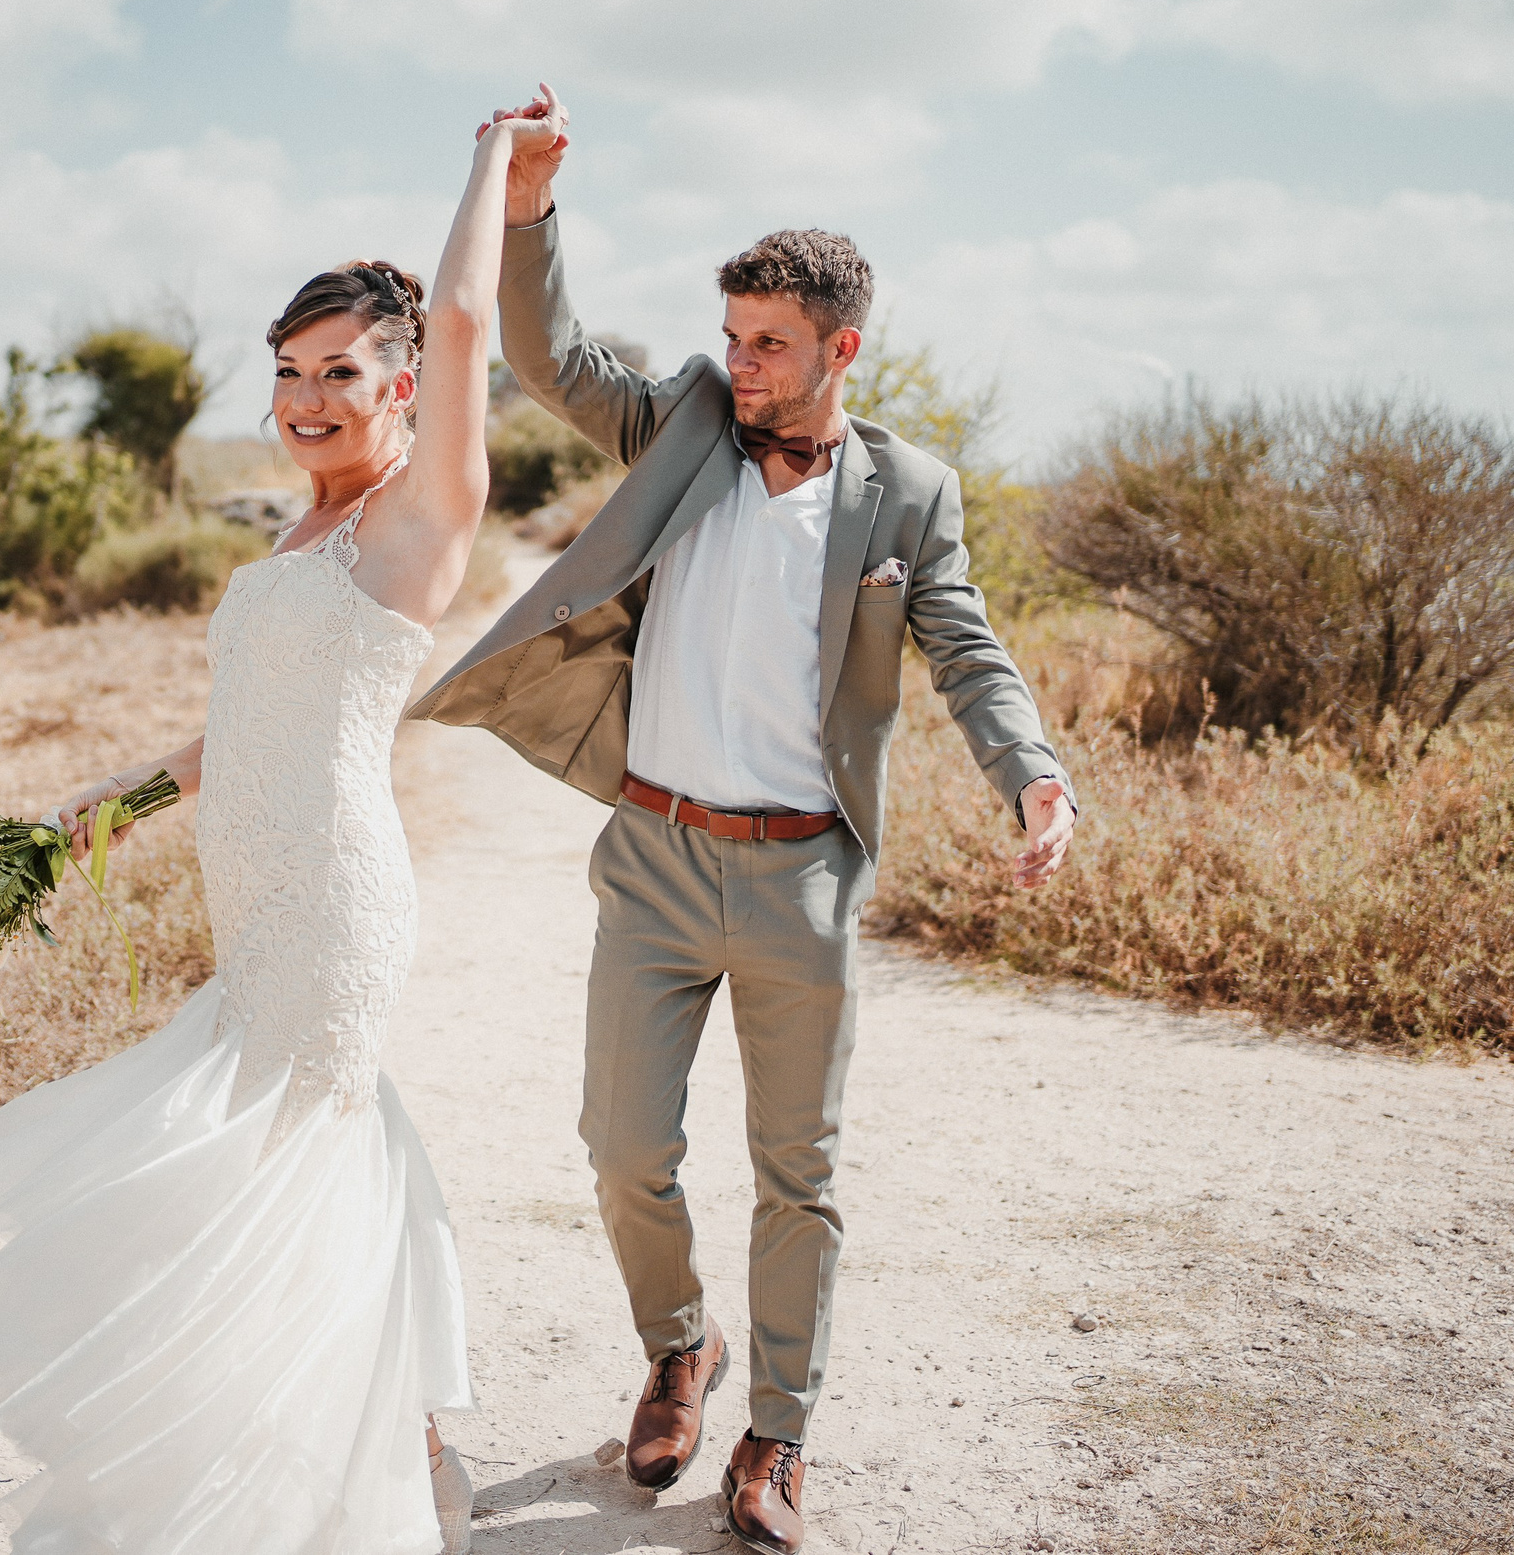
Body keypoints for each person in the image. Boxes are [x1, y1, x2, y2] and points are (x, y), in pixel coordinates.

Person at [408, 88, 1078, 1555]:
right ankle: (678, 1346)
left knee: (802, 1173)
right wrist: (529, 206)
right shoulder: (686, 425)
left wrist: (1030, 768)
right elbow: (548, 354)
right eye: (734, 335)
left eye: (772, 343)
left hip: (802, 882)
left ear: (845, 347)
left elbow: (964, 647)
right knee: (619, 1145)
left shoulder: (910, 497)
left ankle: (777, 1438)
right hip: (652, 859)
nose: (744, 363)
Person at [0, 90, 568, 1555]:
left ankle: (324, 1481)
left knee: (272, 1158)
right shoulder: (293, 528)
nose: (306, 401)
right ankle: (408, 1437)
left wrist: (491, 162)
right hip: (252, 886)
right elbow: (253, 725)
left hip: (338, 896)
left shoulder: (423, 515)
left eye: (341, 373)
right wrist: (117, 804)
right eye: (287, 372)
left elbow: (468, 317)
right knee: (323, 1144)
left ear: (402, 387)